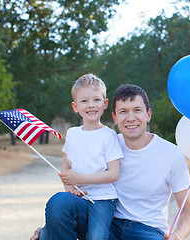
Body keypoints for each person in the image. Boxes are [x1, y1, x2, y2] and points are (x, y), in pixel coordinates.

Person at [31, 84, 190, 240]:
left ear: (148, 114)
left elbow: (188, 210)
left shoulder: (171, 154)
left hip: (147, 229)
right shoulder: (106, 143)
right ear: (114, 118)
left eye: (137, 110)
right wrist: (50, 231)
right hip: (107, 223)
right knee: (59, 202)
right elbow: (71, 175)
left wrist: (177, 236)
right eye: (123, 112)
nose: (131, 118)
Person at [38, 73, 124, 240]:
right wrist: (69, 187)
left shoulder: (109, 135)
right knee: (59, 213)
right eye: (84, 101)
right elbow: (65, 166)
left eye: (96, 100)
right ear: (75, 106)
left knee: (96, 237)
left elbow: (114, 174)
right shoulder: (72, 134)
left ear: (105, 103)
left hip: (103, 199)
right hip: (79, 197)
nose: (91, 105)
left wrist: (79, 178)